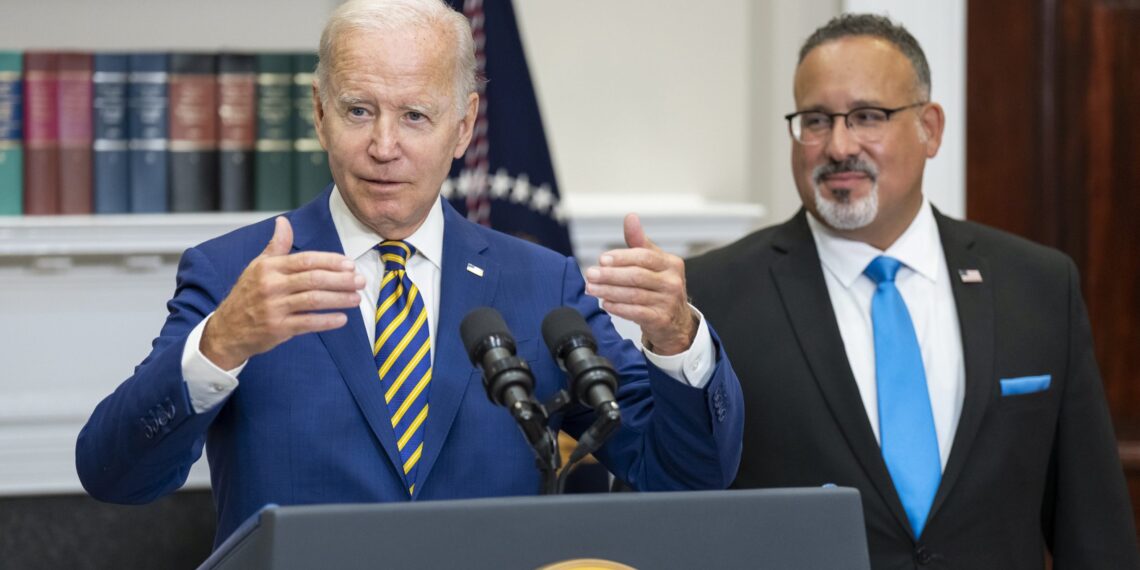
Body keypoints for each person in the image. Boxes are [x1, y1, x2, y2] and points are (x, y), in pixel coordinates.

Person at [76, 0, 743, 548]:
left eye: (415, 115)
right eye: (359, 110)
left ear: (464, 126)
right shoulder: (237, 274)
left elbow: (686, 477)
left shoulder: (543, 284)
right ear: (319, 113)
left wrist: (677, 340)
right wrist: (220, 343)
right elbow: (114, 476)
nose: (384, 146)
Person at [686, 13, 1139, 570]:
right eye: (816, 120)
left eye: (867, 116)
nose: (838, 145)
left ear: (930, 128)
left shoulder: (1038, 285)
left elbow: (1095, 531)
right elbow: (681, 515)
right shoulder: (715, 296)